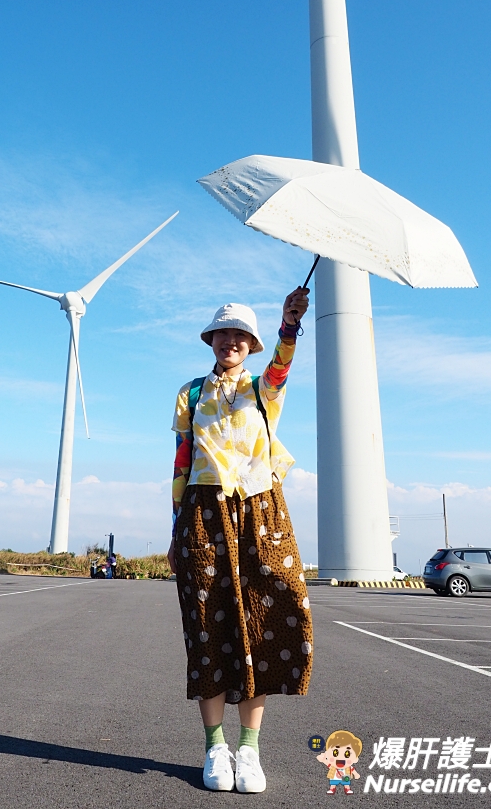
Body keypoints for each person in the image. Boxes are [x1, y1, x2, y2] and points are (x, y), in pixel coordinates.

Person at [168, 288, 313, 793]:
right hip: (203, 511)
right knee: (208, 626)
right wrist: (176, 525)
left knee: (268, 614)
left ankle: (248, 750)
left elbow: (281, 367)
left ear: (251, 343)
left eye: (240, 335)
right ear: (211, 340)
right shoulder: (189, 393)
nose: (230, 340)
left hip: (260, 508)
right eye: (222, 332)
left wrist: (289, 326)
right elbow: (182, 462)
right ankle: (215, 747)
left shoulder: (262, 388)